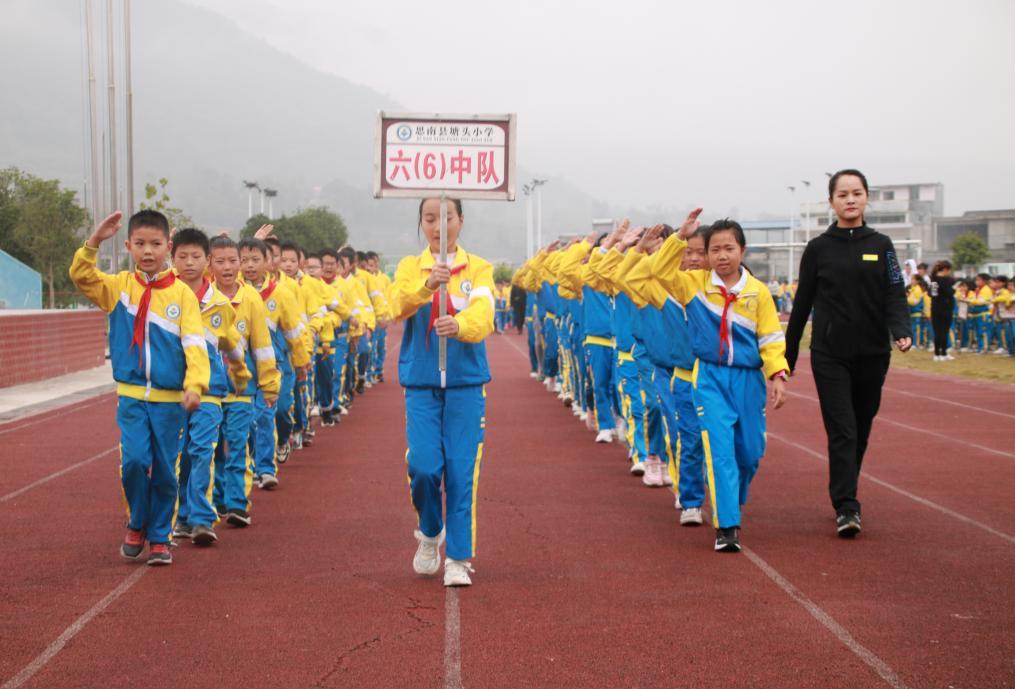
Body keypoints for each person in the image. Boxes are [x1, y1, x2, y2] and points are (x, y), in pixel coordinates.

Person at [69, 210, 210, 566]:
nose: (149, 251)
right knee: (133, 462)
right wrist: (94, 241)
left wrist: (195, 385)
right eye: (141, 244)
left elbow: (195, 344)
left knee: (164, 469)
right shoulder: (118, 287)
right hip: (131, 396)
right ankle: (136, 522)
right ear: (129, 245)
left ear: (168, 246)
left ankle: (160, 536)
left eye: (156, 244)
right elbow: (81, 276)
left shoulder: (182, 296)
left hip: (168, 402)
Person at [648, 216, 788, 553]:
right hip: (709, 378)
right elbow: (658, 272)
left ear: (742, 250)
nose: (722, 255)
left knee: (751, 452)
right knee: (719, 451)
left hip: (748, 380)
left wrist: (777, 374)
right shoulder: (693, 284)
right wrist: (679, 238)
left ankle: (733, 495)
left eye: (729, 248)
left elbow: (770, 337)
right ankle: (727, 526)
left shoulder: (758, 293)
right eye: (715, 250)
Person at [785, 169, 911, 539]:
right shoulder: (818, 248)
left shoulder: (883, 244)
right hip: (830, 354)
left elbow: (894, 291)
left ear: (866, 197)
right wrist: (787, 357)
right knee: (842, 429)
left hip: (873, 353)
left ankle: (845, 488)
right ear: (832, 202)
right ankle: (846, 505)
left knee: (861, 427)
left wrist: (900, 330)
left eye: (856, 193)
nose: (850, 200)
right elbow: (803, 302)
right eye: (843, 194)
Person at [388, 197, 495, 587]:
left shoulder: (479, 268)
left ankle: (459, 558)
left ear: (461, 220)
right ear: (421, 223)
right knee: (424, 466)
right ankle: (430, 532)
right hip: (421, 384)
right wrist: (426, 284)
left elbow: (484, 315)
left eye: (446, 217)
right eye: (430, 218)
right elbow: (395, 306)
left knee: (462, 471)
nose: (439, 225)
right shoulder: (408, 267)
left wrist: (461, 326)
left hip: (466, 384)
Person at [171, 229, 251, 546]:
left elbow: (230, 342)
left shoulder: (220, 304)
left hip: (210, 391)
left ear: (208, 262)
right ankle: (180, 517)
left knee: (202, 451)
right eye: (182, 256)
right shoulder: (166, 295)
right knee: (179, 456)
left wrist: (241, 372)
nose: (189, 263)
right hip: (172, 391)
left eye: (196, 257)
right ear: (172, 257)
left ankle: (202, 520)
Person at [208, 235, 280, 528]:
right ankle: (215, 500)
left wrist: (269, 385)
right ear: (209, 264)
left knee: (237, 445)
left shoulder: (250, 298)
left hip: (242, 388)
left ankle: (238, 503)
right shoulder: (201, 295)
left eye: (232, 261)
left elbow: (262, 345)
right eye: (220, 261)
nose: (228, 267)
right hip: (209, 389)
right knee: (211, 449)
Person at [238, 237, 309, 490]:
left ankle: (266, 466)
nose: (249, 266)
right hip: (241, 368)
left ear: (269, 262)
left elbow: (293, 332)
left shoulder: (281, 294)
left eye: (255, 259)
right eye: (244, 260)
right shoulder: (233, 290)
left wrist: (302, 363)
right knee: (248, 419)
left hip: (274, 366)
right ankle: (257, 466)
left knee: (271, 413)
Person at [929, 260, 956, 361]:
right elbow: (950, 292)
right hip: (946, 308)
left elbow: (931, 294)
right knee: (945, 331)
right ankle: (944, 353)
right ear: (945, 269)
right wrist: (954, 289)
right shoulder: (948, 280)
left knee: (937, 332)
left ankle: (936, 354)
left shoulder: (933, 279)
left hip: (935, 308)